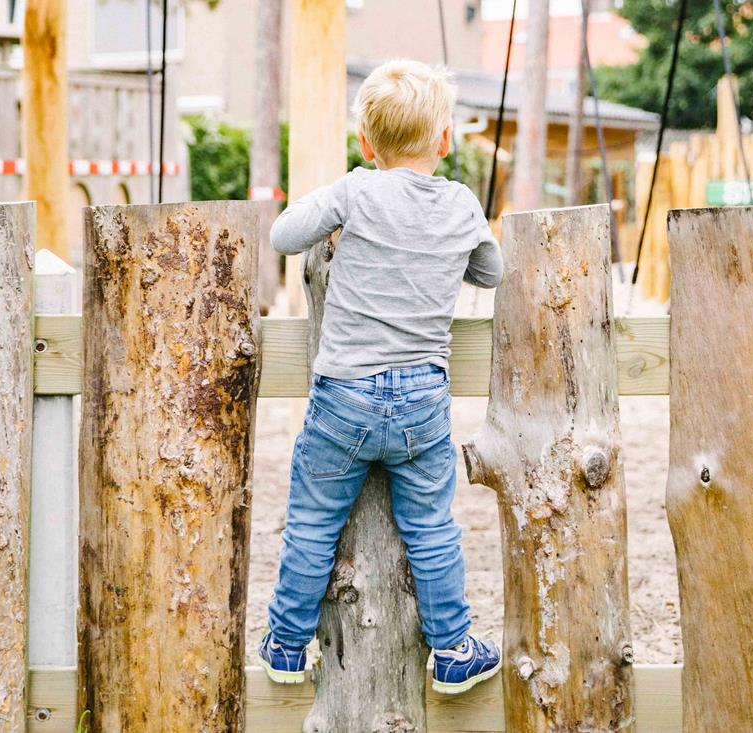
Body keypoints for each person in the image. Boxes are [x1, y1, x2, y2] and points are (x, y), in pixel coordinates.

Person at [258, 59, 504, 695]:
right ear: (445, 140)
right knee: (432, 527)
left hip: (344, 394)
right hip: (423, 396)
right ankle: (452, 649)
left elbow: (286, 235)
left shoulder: (357, 190)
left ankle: (286, 645)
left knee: (312, 523)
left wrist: (336, 211)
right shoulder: (461, 202)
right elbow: (490, 272)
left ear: (365, 144)